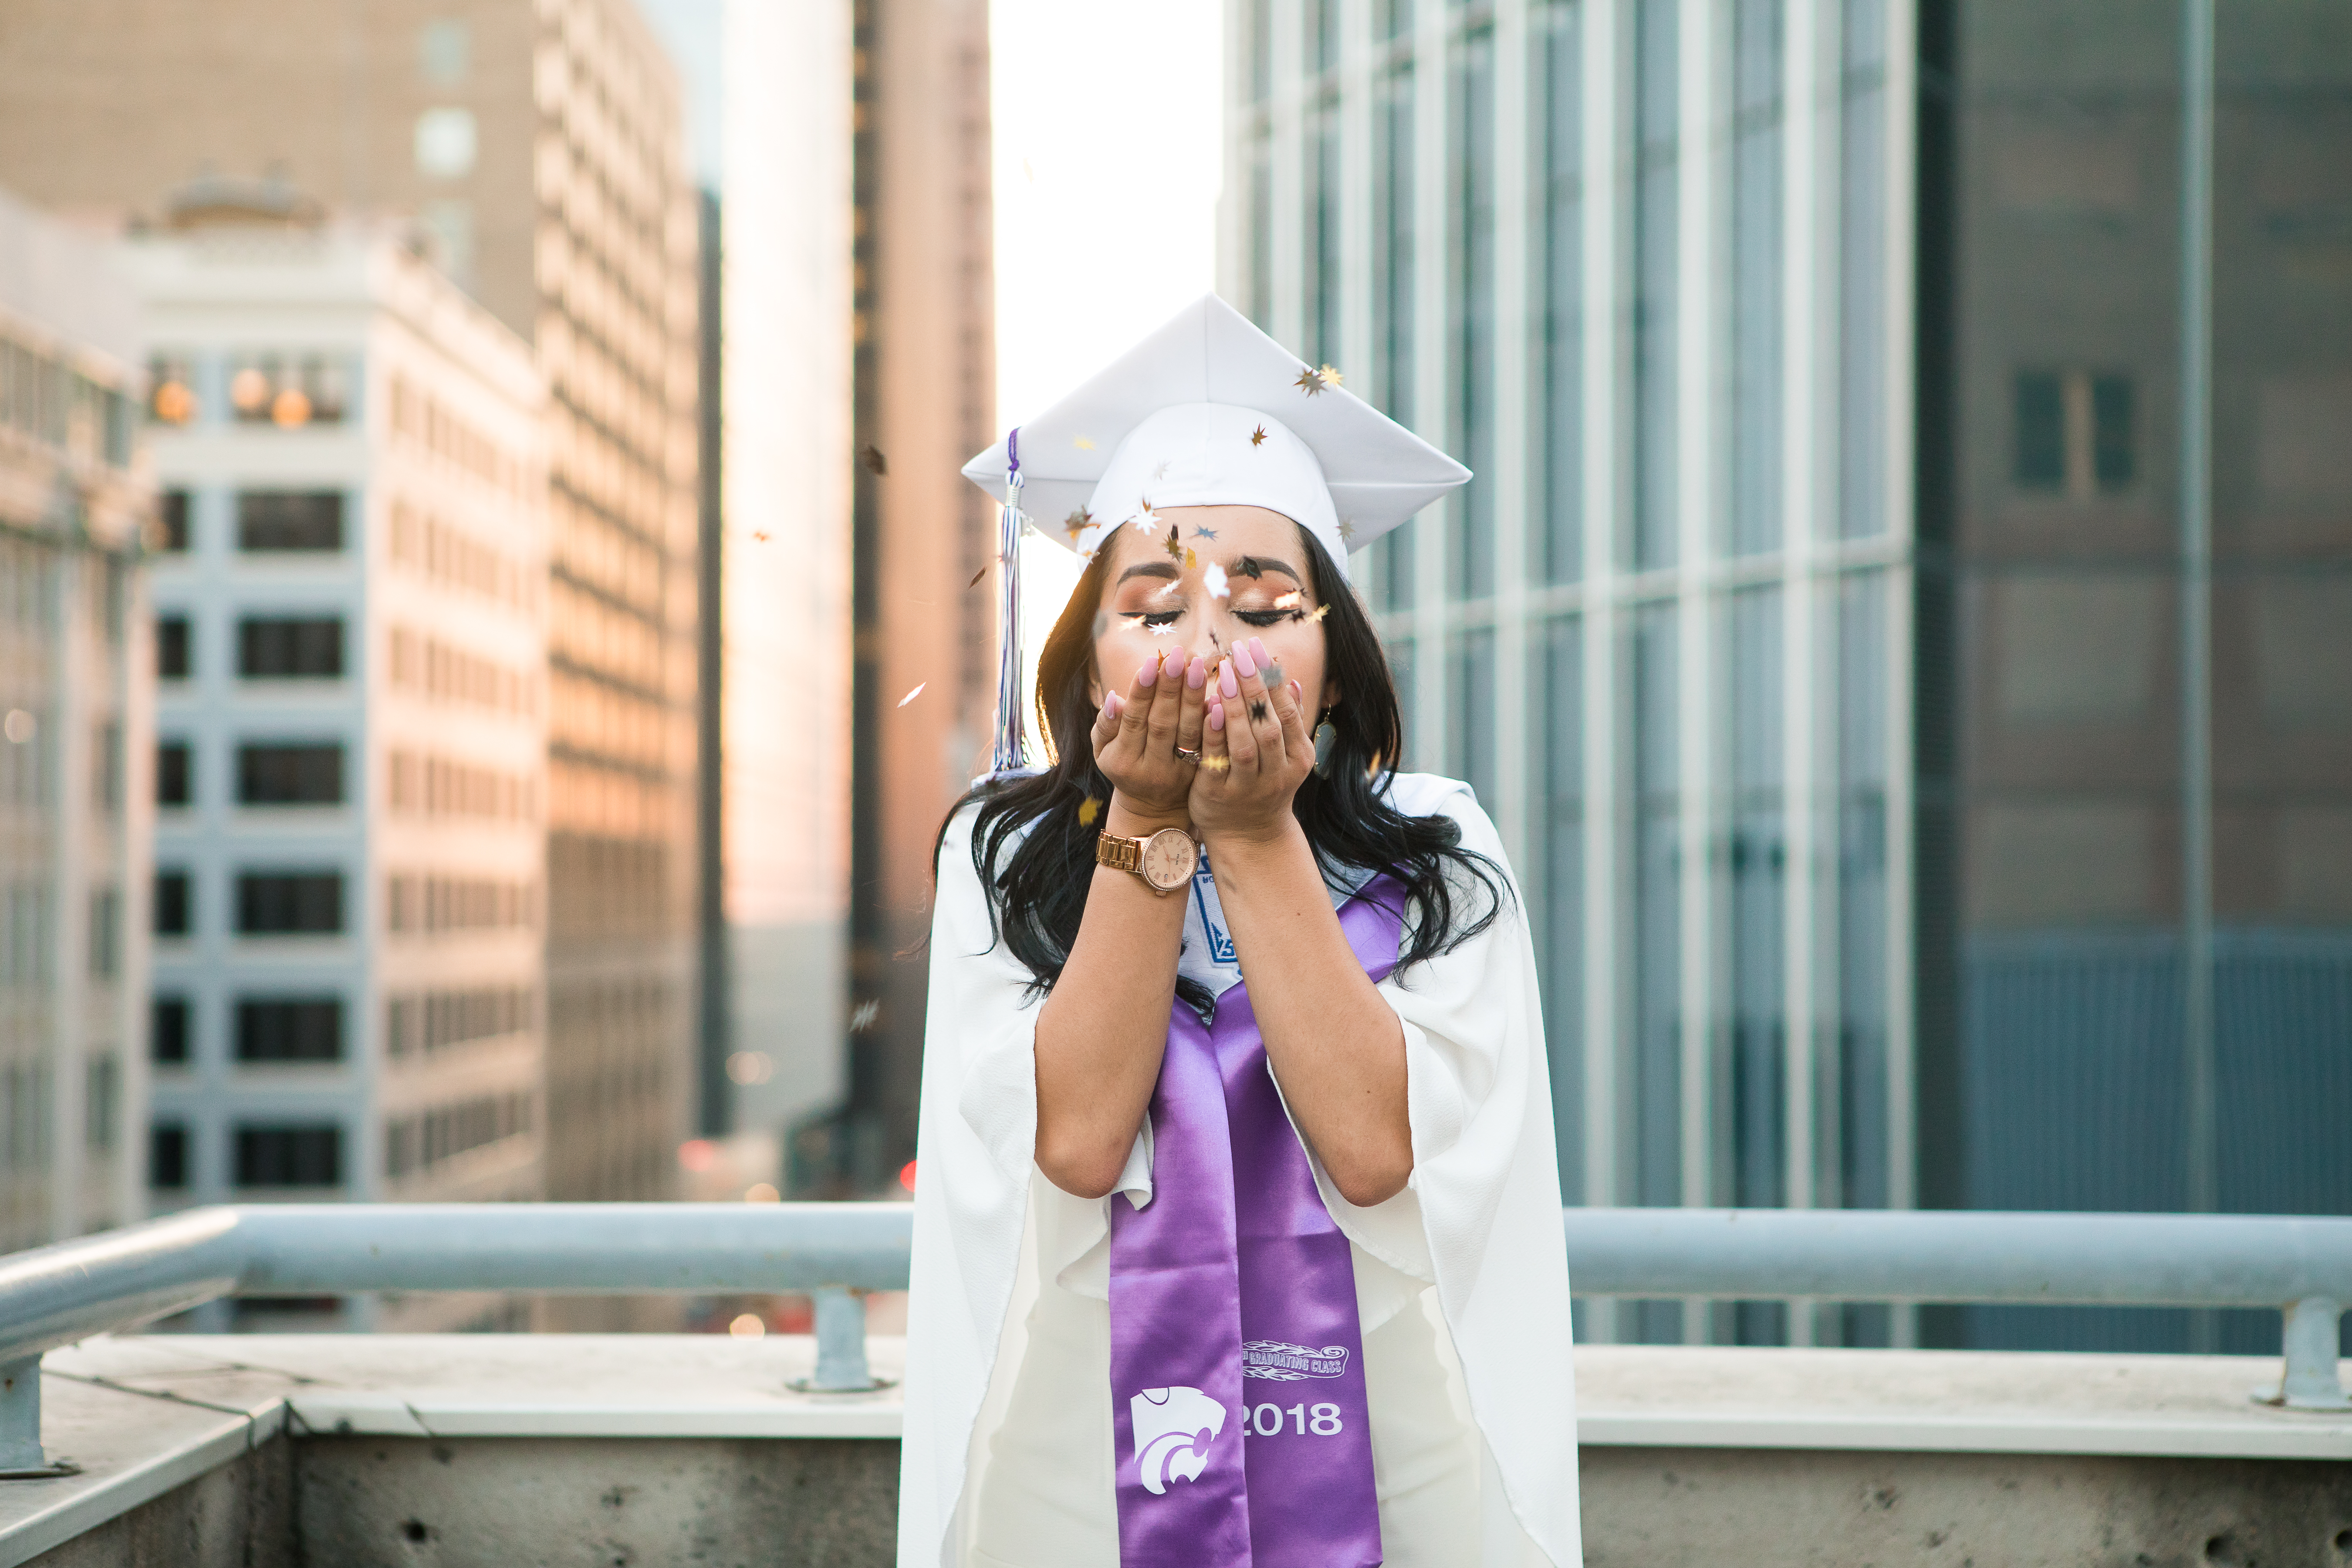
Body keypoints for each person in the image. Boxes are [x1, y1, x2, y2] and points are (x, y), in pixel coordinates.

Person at [899, 295, 1581, 1568]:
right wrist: (1149, 821)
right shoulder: (1001, 856)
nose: (1208, 641)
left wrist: (1260, 837)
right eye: (1153, 608)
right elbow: (1081, 1143)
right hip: (1077, 1474)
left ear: (1338, 654)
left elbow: (1379, 1153)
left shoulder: (1439, 854)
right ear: (1089, 656)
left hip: (1396, 1461)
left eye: (1266, 609)